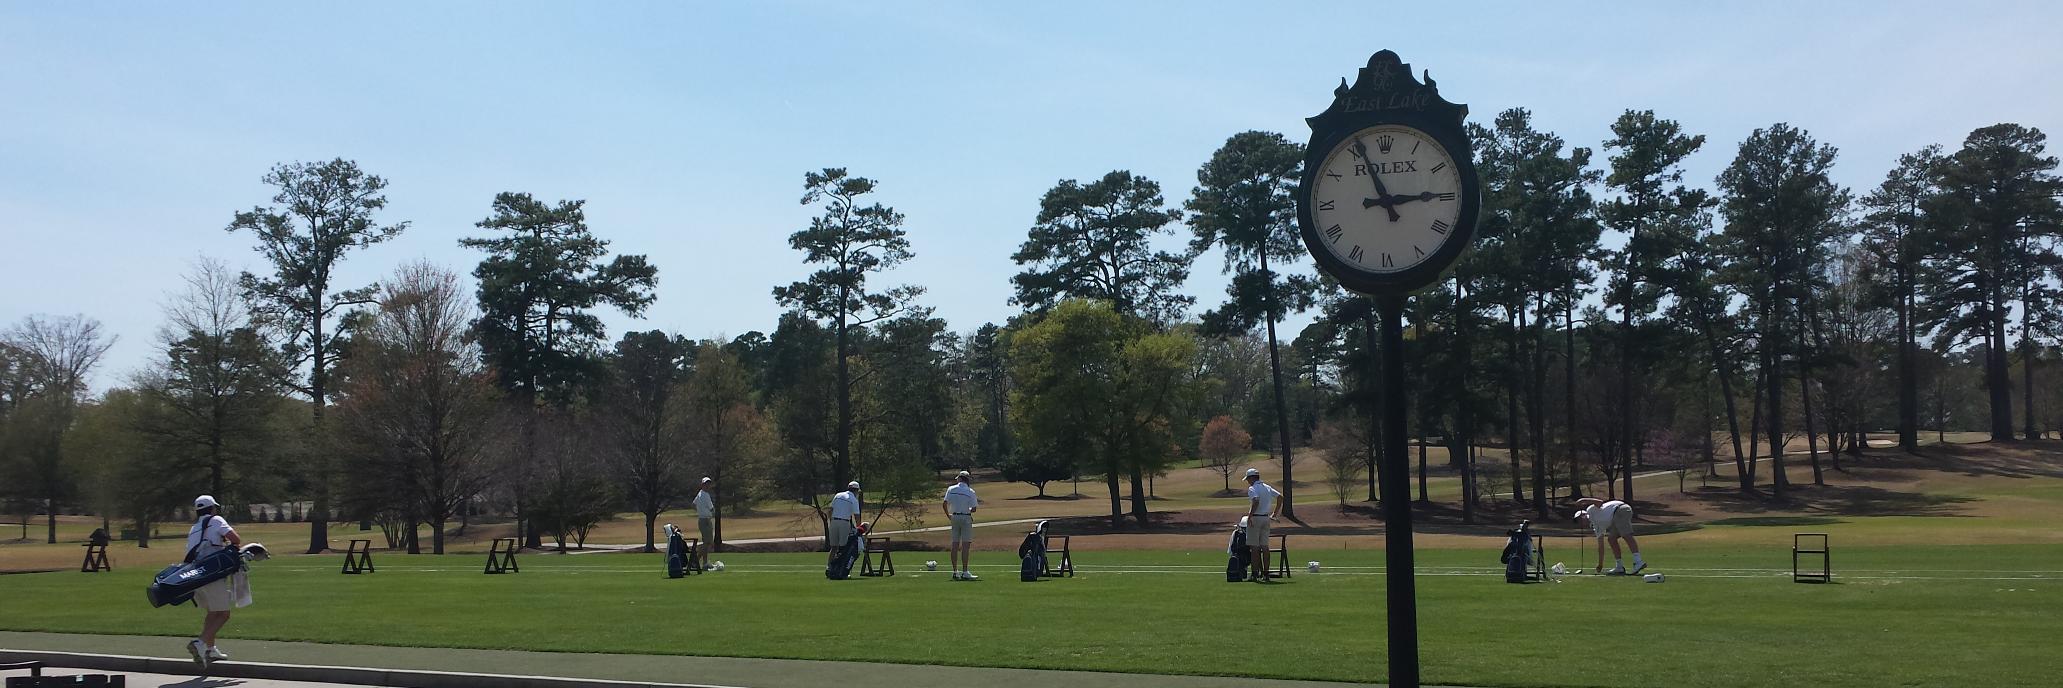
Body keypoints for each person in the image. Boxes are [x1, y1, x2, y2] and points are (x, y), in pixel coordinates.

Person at [186, 495, 245, 667]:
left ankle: (210, 649)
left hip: (196, 577)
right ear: (212, 509)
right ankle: (200, 643)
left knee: (212, 613)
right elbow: (236, 539)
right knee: (224, 614)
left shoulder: (194, 527)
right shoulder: (216, 520)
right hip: (212, 574)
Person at [1573, 497, 1647, 575]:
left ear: (1583, 514)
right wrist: (1600, 564)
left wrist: (1583, 500)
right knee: (1611, 539)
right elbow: (1601, 546)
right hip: (1615, 518)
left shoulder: (1590, 510)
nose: (1580, 522)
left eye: (1579, 519)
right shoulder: (1596, 526)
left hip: (1620, 509)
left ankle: (1638, 561)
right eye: (1578, 521)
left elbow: (1600, 502)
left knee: (1626, 534)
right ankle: (1619, 566)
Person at [1243, 468, 1282, 582]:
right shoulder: (1267, 487)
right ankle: (1266, 573)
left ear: (1251, 478)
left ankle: (1255, 574)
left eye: (1248, 479)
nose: (1248, 482)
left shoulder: (1252, 488)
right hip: (1266, 518)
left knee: (1254, 548)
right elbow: (1280, 497)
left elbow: (1255, 501)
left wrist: (1250, 516)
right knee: (1265, 547)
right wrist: (1274, 513)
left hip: (1256, 518)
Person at [942, 470, 979, 580]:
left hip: (954, 516)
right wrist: (966, 509)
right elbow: (974, 509)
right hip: (965, 517)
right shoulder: (970, 491)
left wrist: (948, 515)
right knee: (966, 545)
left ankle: (955, 571)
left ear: (960, 479)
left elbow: (944, 504)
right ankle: (965, 571)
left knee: (955, 544)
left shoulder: (951, 489)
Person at [827, 481, 862, 567]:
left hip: (834, 522)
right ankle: (840, 568)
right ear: (856, 490)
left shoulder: (838, 495)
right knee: (843, 548)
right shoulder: (853, 500)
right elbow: (857, 516)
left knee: (834, 548)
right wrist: (859, 530)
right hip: (844, 523)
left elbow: (830, 510)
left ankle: (829, 568)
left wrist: (832, 522)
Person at [694, 477, 717, 570]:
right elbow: (711, 508)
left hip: (702, 519)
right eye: (706, 483)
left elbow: (694, 503)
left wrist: (700, 511)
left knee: (706, 542)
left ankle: (704, 563)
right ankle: (696, 561)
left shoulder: (699, 494)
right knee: (708, 543)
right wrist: (709, 513)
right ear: (702, 484)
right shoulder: (705, 495)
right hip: (706, 520)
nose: (708, 485)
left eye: (709, 483)